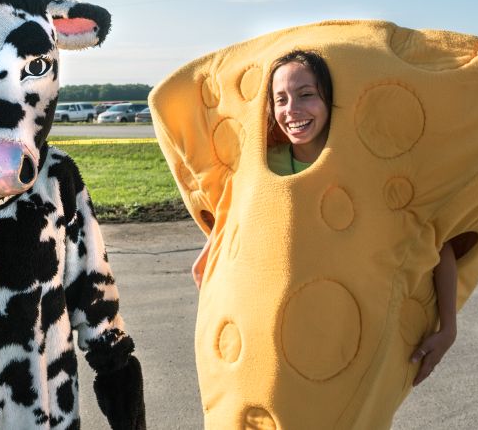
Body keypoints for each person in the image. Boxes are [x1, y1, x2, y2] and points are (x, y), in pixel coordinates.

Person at [191, 49, 457, 387]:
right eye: (281, 99)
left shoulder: (372, 170)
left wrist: (448, 328)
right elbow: (211, 263)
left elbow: (435, 242)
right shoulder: (259, 170)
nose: (292, 110)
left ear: (332, 100)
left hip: (352, 348)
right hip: (275, 353)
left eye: (306, 95)